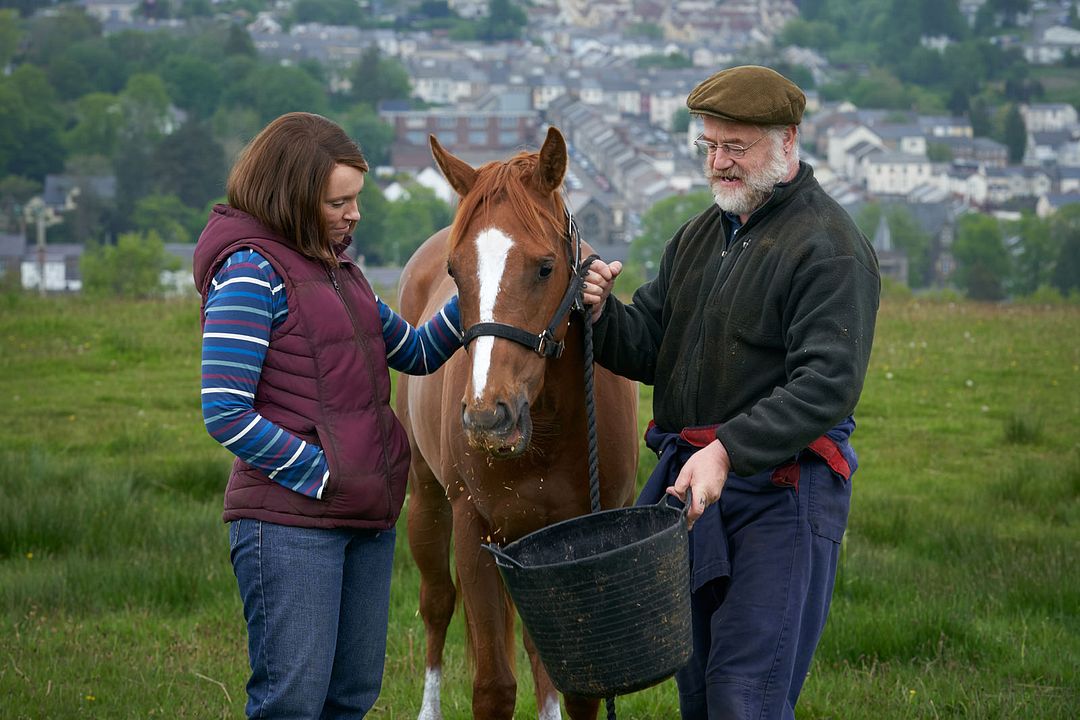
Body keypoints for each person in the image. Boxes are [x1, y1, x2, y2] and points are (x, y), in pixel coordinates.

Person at [581, 66, 880, 719]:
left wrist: (726, 450)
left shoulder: (829, 246)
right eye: (709, 146)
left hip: (783, 496)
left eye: (735, 147)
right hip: (693, 494)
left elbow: (826, 384)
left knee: (747, 696)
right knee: (699, 694)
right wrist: (601, 315)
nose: (718, 162)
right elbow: (650, 343)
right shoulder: (697, 236)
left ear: (787, 140)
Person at [193, 112, 462, 719]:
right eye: (338, 202)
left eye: (356, 199)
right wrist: (323, 474)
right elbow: (224, 410)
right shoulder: (250, 272)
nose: (354, 214)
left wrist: (486, 295)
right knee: (293, 703)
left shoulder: (340, 275)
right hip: (290, 525)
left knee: (349, 699)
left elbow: (416, 351)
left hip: (362, 520)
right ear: (293, 198)